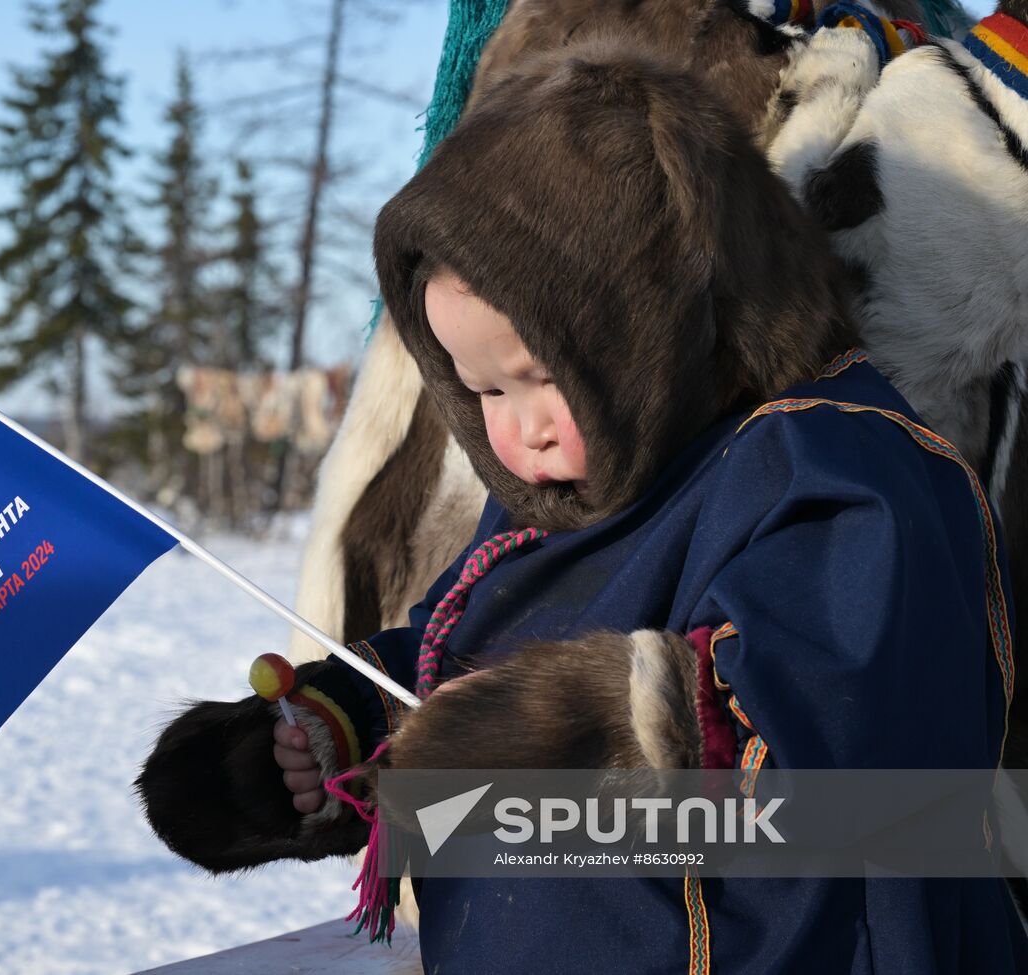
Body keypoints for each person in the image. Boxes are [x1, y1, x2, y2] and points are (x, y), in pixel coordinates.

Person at [137, 38, 1026, 973]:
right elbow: (462, 657)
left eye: (541, 375)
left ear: (661, 316)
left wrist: (498, 741)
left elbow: (823, 747)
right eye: (481, 391)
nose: (520, 434)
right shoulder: (561, 491)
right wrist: (347, 725)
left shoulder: (840, 470)